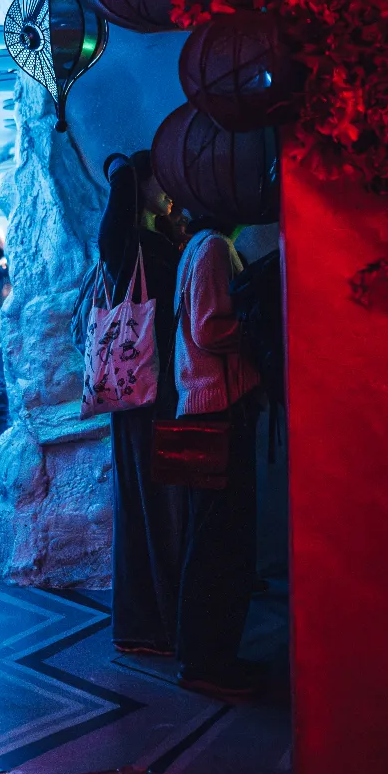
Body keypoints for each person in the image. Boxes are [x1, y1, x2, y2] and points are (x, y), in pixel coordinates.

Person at [98, 150, 188, 658]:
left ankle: (148, 618)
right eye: (162, 178)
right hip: (147, 386)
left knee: (145, 499)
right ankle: (154, 617)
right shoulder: (129, 242)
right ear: (140, 185)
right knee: (153, 499)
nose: (171, 188)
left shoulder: (145, 240)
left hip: (140, 384)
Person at [173, 213, 264, 700]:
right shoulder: (211, 248)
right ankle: (206, 663)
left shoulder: (198, 247)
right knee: (218, 546)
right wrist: (258, 330)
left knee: (212, 542)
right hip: (217, 411)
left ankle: (210, 657)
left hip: (207, 410)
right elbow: (210, 329)